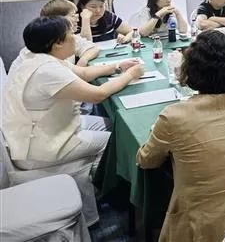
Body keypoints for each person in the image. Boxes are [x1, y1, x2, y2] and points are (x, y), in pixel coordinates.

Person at [137, 31, 225, 241]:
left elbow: (146, 160)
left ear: (192, 69)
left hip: (204, 228)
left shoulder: (173, 117)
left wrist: (156, 131)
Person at [2, 17, 143, 223]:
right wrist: (131, 75)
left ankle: (103, 181)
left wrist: (118, 66)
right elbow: (98, 94)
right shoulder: (47, 71)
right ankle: (111, 190)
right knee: (118, 141)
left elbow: (83, 73)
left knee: (111, 125)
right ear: (57, 43)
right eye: (70, 35)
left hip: (39, 130)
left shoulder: (34, 56)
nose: (76, 39)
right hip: (40, 147)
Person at [41, 0, 99, 66]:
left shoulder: (70, 37)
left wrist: (83, 60)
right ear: (58, 19)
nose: (77, 19)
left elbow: (92, 48)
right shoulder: (45, 46)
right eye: (72, 16)